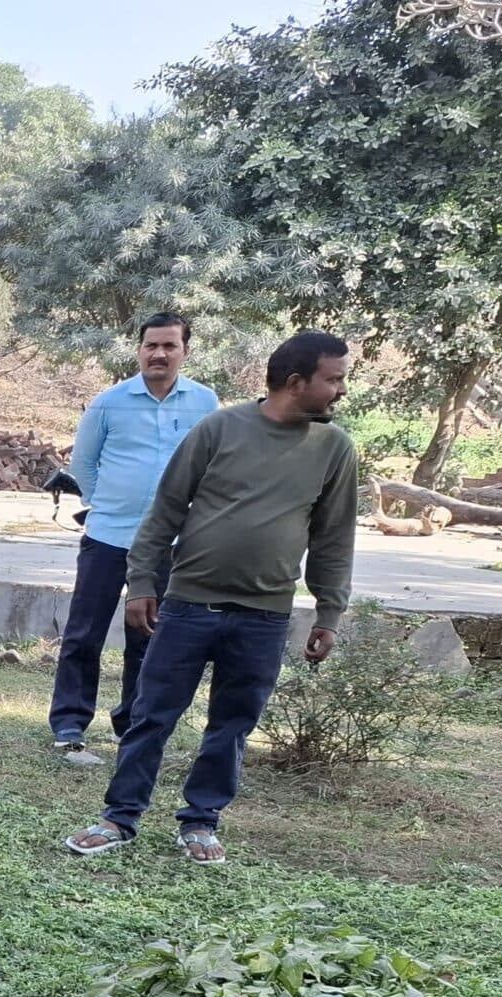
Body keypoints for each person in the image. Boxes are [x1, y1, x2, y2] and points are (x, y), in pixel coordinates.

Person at [64, 331, 358, 867]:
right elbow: (165, 511)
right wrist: (143, 584)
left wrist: (329, 611)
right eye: (333, 378)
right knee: (152, 714)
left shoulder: (334, 449)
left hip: (265, 614)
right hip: (189, 605)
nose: (341, 389)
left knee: (233, 723)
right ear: (297, 382)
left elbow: (334, 538)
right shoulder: (219, 429)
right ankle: (119, 817)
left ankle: (201, 822)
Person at [47, 312, 220, 758]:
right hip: (108, 537)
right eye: (150, 346)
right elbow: (83, 465)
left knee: (150, 638)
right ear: (139, 349)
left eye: (169, 346)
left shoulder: (204, 403)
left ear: (185, 351)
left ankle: (132, 726)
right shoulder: (110, 402)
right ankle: (69, 727)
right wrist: (109, 502)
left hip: (170, 544)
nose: (158, 354)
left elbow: (211, 466)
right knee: (84, 634)